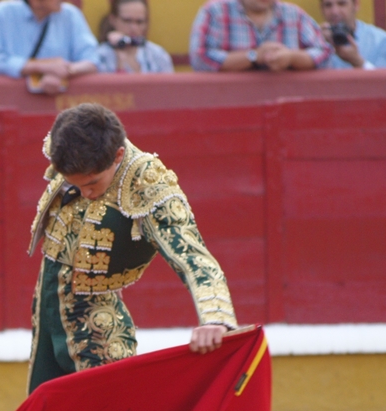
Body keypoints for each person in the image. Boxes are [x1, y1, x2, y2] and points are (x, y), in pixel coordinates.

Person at [26, 104, 238, 393]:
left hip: (96, 312)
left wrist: (217, 318)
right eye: (74, 183)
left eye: (92, 183)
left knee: (111, 407)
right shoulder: (67, 142)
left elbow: (191, 254)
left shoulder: (148, 183)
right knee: (43, 408)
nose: (85, 193)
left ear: (119, 156)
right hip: (46, 301)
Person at [0, 0, 98, 94]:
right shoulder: (1, 14)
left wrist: (67, 71)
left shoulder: (71, 14)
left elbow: (92, 60)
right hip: (10, 100)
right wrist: (43, 67)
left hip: (61, 108)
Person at [189, 0, 332, 72]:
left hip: (285, 111)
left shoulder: (294, 14)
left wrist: (291, 58)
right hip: (229, 109)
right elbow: (199, 58)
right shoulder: (215, 12)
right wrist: (253, 56)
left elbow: (325, 53)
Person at [96, 0, 174, 74]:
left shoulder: (158, 55)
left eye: (139, 22)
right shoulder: (100, 56)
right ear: (113, 20)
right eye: (127, 21)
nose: (134, 28)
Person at [319, 0, 386, 69]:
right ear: (322, 9)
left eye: (342, 4)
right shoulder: (316, 41)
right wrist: (318, 43)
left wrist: (357, 61)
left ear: (356, 5)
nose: (334, 12)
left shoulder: (380, 41)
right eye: (328, 5)